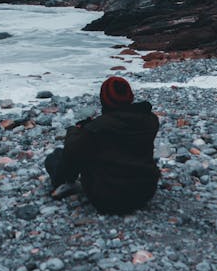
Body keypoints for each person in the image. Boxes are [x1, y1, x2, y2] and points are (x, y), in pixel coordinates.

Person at [44, 76, 160, 214]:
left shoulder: (96, 129)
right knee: (90, 149)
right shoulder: (151, 120)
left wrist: (76, 130)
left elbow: (72, 150)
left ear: (104, 100)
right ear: (130, 97)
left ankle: (64, 181)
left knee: (55, 157)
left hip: (107, 197)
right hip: (144, 192)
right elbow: (121, 135)